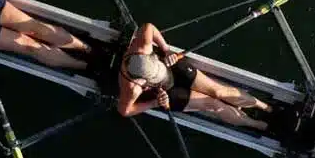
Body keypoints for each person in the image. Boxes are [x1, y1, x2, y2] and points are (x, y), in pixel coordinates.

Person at [116, 23, 272, 129]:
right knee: (213, 104)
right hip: (165, 92)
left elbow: (148, 27)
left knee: (218, 91)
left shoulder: (142, 47)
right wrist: (154, 103)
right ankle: (257, 125)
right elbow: (125, 111)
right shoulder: (132, 88)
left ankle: (264, 106)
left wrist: (166, 49)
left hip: (170, 65)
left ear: (149, 55)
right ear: (142, 80)